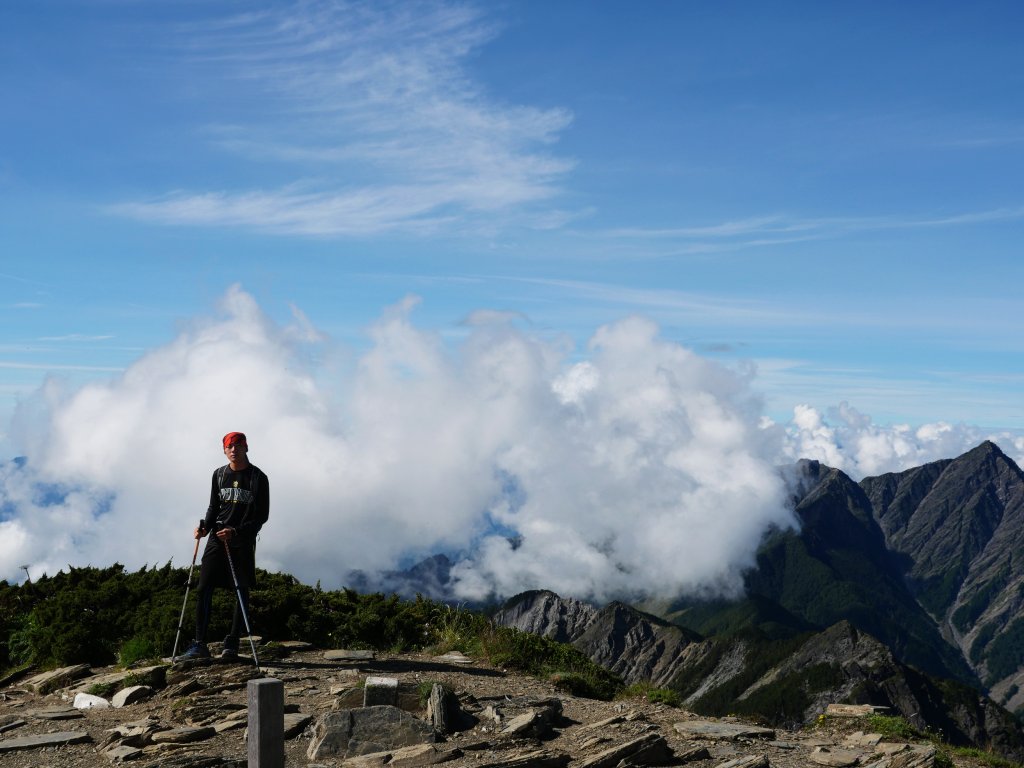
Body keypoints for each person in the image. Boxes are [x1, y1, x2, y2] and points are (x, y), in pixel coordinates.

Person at [179, 431, 269, 661]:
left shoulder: (258, 478)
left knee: (240, 591)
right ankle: (200, 644)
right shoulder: (219, 475)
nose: (233, 450)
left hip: (242, 540)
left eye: (238, 445)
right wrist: (205, 528)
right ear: (224, 450)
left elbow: (262, 516)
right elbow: (213, 506)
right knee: (203, 588)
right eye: (229, 446)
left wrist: (237, 531)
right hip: (217, 538)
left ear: (246, 447)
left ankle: (232, 644)